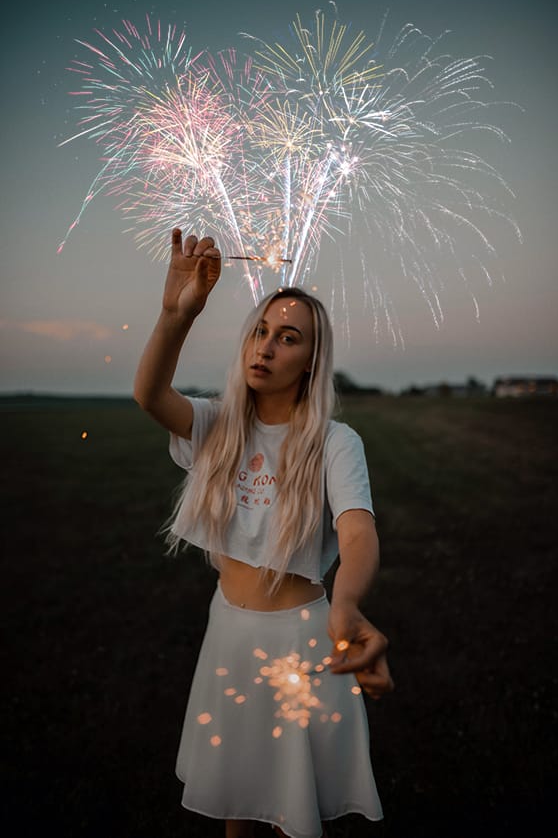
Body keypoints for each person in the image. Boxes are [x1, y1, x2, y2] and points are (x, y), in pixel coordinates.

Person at [134, 229, 394, 838]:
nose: (267, 347)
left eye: (288, 337)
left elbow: (357, 532)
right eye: (260, 331)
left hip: (300, 644)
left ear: (311, 359)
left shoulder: (334, 442)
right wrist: (175, 315)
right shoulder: (216, 424)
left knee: (289, 806)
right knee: (237, 801)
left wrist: (349, 603)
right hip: (228, 629)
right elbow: (149, 395)